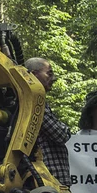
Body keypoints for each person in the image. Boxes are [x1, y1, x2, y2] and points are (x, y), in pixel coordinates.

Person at [25, 57, 72, 186]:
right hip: (49, 179)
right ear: (34, 75)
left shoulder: (38, 102)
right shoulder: (34, 103)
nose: (53, 78)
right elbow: (61, 134)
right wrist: (66, 129)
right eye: (49, 73)